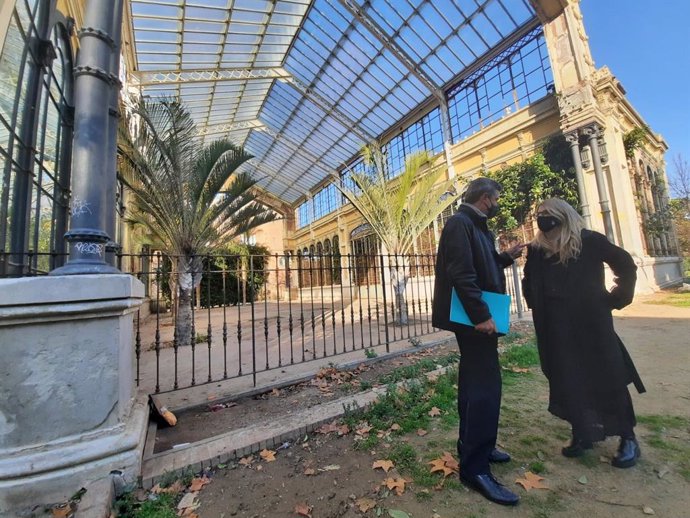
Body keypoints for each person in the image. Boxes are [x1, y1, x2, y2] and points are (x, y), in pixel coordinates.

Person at [522, 198, 645, 468]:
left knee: (607, 376)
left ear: (562, 215)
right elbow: (528, 279)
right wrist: (534, 301)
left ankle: (628, 438)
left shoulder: (589, 241)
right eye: (539, 214)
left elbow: (625, 265)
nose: (542, 218)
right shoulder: (537, 249)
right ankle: (583, 433)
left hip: (591, 325)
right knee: (569, 380)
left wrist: (616, 298)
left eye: (547, 213)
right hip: (555, 328)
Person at [432, 177, 524, 506]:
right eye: (496, 198)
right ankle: (474, 468)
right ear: (486, 199)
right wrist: (481, 315)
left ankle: (474, 446)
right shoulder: (460, 224)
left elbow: (480, 265)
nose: (498, 203)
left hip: (478, 317)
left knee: (475, 382)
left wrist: (504, 257)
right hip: (475, 320)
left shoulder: (476, 225)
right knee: (485, 387)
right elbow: (462, 273)